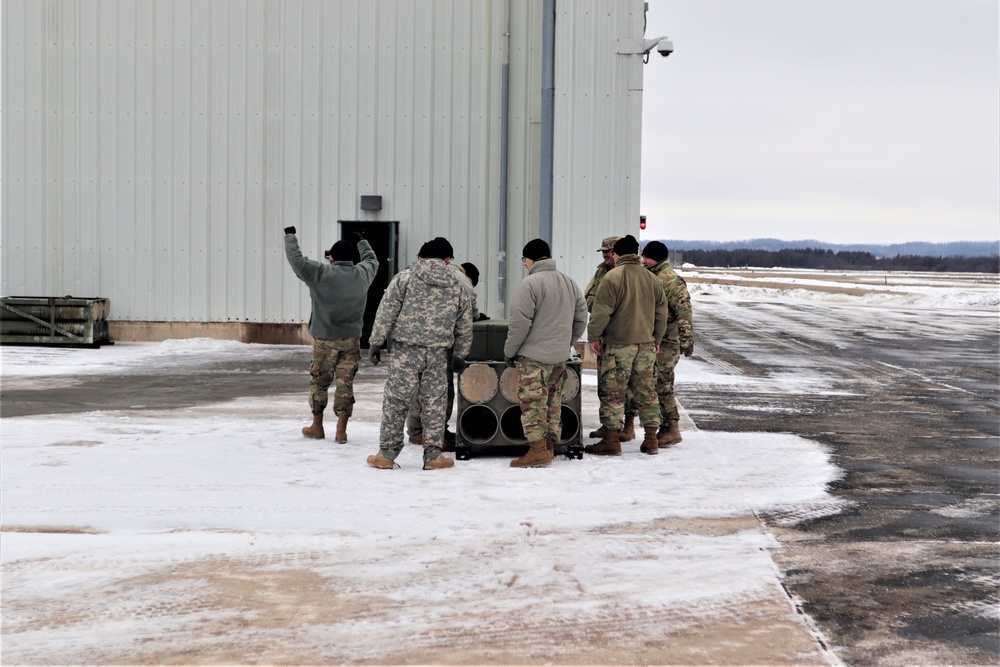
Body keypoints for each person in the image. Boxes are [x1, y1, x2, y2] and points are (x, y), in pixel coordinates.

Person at [366, 238, 473, 470]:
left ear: (420, 257)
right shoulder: (456, 284)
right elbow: (464, 323)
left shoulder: (404, 278)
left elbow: (386, 310)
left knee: (396, 400)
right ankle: (433, 455)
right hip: (438, 353)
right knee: (435, 402)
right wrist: (460, 355)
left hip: (406, 350)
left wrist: (376, 341)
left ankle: (386, 453)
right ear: (447, 260)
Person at [283, 226, 378, 443]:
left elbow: (296, 259)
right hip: (351, 341)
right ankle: (341, 430)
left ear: (332, 257)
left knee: (319, 382)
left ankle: (317, 426)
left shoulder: (321, 273)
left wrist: (290, 236)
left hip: (325, 341)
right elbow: (372, 260)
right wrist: (362, 241)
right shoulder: (362, 274)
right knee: (345, 383)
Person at [503, 239, 588, 468]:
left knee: (532, 405)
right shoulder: (569, 283)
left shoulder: (530, 284)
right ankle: (549, 446)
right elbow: (581, 318)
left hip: (533, 358)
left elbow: (519, 323)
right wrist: (567, 342)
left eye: (524, 260)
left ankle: (538, 450)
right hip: (559, 357)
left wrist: (509, 352)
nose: (524, 264)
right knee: (553, 403)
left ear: (529, 259)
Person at [585, 234, 667, 456]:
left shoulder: (612, 277)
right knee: (647, 392)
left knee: (613, 392)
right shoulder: (652, 279)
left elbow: (601, 311)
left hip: (618, 345)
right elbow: (662, 313)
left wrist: (593, 337)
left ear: (617, 254)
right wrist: (657, 339)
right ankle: (651, 439)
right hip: (646, 346)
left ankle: (611, 440)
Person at [405, 257, 481, 449]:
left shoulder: (417, 274)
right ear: (470, 278)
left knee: (419, 386)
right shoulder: (462, 282)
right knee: (441, 391)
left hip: (414, 341)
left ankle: (416, 431)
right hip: (440, 344)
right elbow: (470, 313)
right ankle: (435, 434)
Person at [584, 236, 637, 441]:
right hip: (607, 337)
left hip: (627, 337)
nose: (606, 255)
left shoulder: (633, 273)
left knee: (629, 387)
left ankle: (628, 425)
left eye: (609, 251)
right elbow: (588, 298)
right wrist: (603, 307)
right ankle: (609, 426)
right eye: (603, 252)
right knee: (606, 384)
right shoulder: (602, 272)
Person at [641, 241, 694, 447]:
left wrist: (686, 339)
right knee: (654, 383)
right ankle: (665, 426)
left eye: (647, 257)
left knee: (662, 384)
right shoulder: (651, 277)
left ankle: (672, 428)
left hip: (669, 341)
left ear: (658, 258)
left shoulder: (671, 281)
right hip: (656, 340)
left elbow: (684, 311)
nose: (643, 261)